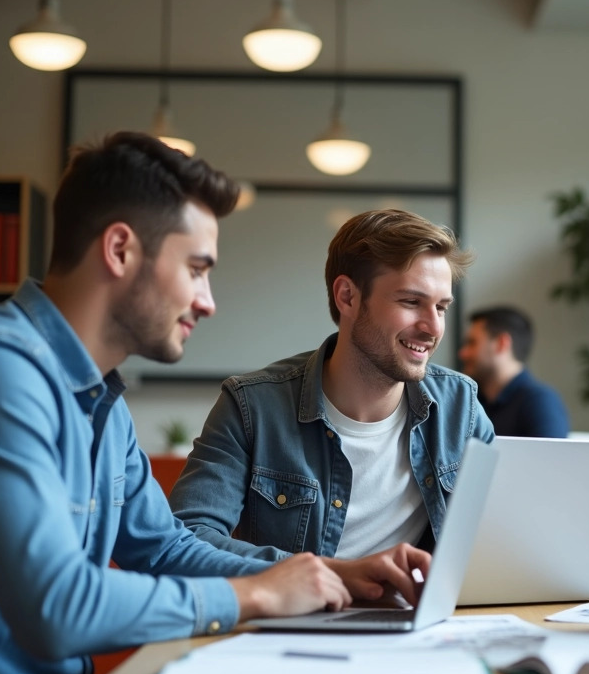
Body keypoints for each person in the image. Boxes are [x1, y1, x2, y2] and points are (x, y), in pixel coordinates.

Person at [0, 133, 355, 674]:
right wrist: (257, 594)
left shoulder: (100, 399)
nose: (207, 302)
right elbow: (57, 609)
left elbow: (160, 548)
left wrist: (323, 575)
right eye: (197, 269)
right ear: (121, 249)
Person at [168, 209, 494, 600]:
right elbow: (186, 540)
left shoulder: (461, 407)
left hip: (414, 632)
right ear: (347, 296)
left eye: (441, 307)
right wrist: (331, 576)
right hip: (292, 630)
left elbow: (509, 534)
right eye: (411, 302)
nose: (433, 327)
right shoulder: (252, 407)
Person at [458, 306, 570, 438]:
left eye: (472, 343)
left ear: (501, 343)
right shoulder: (471, 400)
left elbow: (552, 458)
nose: (463, 353)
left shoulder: (540, 402)